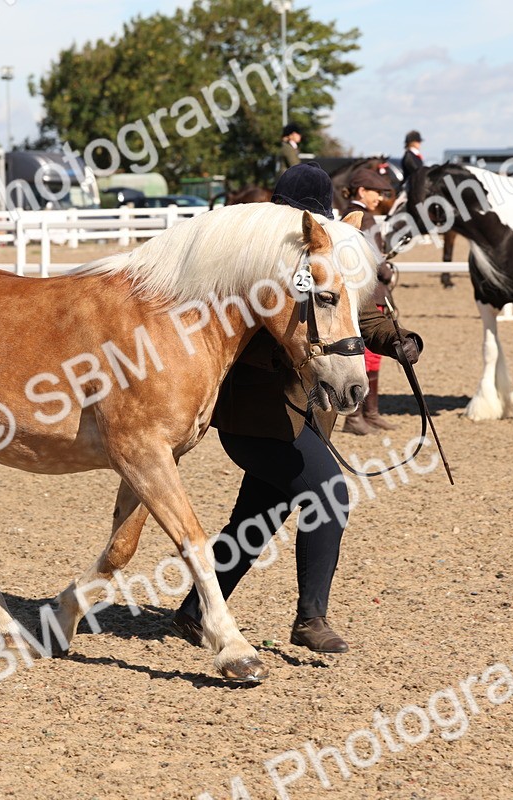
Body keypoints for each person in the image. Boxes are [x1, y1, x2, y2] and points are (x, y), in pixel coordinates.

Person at [171, 162, 424, 654]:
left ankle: (196, 610)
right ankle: (310, 619)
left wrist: (398, 339)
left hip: (307, 415)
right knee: (329, 495)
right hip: (256, 415)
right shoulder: (258, 261)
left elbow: (354, 315)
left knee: (258, 517)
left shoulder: (325, 257)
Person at [339, 166, 399, 435]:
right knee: (365, 356)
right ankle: (354, 417)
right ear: (362, 191)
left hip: (372, 293)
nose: (380, 198)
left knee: (373, 357)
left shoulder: (360, 216)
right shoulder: (359, 219)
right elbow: (372, 258)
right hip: (369, 295)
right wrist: (387, 270)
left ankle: (370, 413)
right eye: (376, 192)